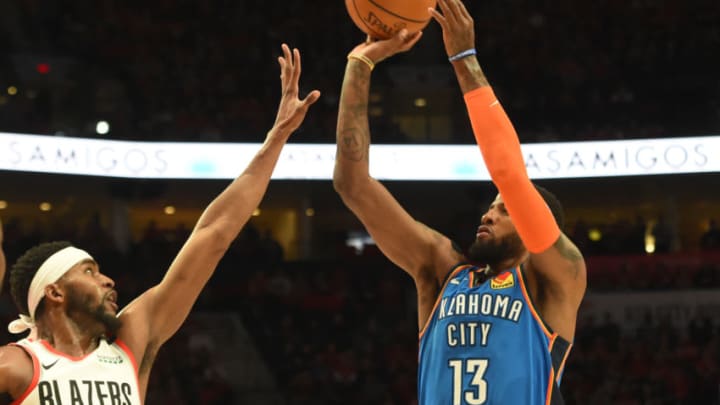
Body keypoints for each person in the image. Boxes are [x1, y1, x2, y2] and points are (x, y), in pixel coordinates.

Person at [0, 44, 320, 404]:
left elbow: (214, 234)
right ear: (54, 292)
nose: (107, 280)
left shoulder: (130, 343)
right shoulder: (14, 366)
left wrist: (276, 138)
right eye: (89, 272)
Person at [332, 0, 586, 403]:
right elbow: (353, 185)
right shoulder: (441, 270)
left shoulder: (555, 279)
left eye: (505, 209)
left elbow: (509, 173)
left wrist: (465, 59)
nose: (489, 212)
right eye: (492, 205)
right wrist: (359, 66)